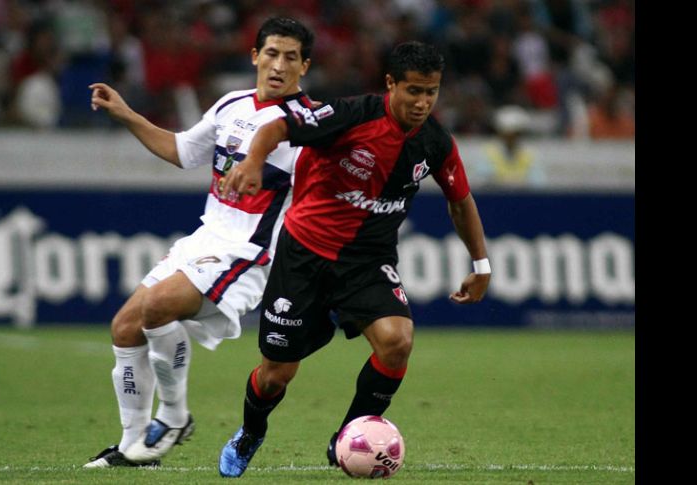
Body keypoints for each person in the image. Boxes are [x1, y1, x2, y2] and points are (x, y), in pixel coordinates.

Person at [216, 41, 491, 478]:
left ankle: (348, 436)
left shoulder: (436, 141)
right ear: (390, 84)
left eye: (431, 92)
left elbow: (460, 200)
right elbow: (277, 128)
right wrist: (252, 160)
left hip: (367, 262)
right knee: (276, 375)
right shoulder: (349, 115)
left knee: (397, 341)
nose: (422, 103)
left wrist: (481, 266)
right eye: (413, 91)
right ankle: (251, 432)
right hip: (304, 254)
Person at [82, 16, 315, 468]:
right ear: (254, 56)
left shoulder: (308, 125)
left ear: (304, 66)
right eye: (271, 53)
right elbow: (184, 152)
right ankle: (136, 447)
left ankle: (172, 417)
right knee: (125, 327)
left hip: (250, 252)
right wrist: (127, 114)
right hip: (208, 236)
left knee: (157, 308)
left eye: (291, 57)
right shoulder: (232, 104)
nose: (279, 65)